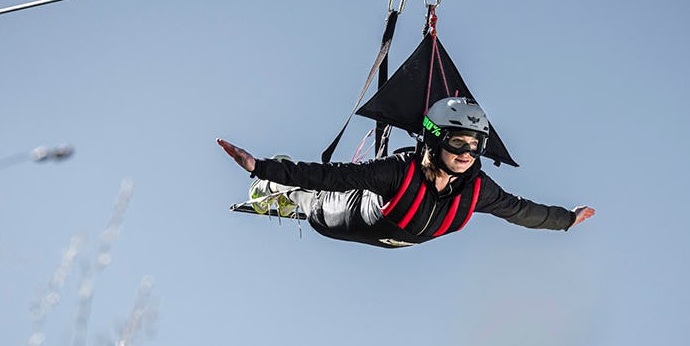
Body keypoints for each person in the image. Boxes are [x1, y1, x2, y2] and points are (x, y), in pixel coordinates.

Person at [217, 97, 595, 249]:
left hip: (394, 238)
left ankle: (282, 185)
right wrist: (260, 166)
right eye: (458, 143)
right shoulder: (398, 172)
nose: (467, 154)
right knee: (317, 201)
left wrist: (566, 220)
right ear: (434, 140)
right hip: (347, 215)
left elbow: (521, 210)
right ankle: (277, 190)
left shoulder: (478, 189)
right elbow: (334, 176)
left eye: (475, 145)